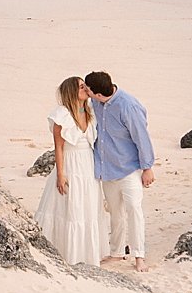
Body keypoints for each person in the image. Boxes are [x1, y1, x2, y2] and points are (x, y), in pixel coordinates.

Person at [83, 70, 155, 270]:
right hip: (106, 168)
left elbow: (142, 137)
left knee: (134, 210)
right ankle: (116, 253)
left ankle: (139, 255)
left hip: (129, 168)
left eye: (88, 90)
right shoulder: (95, 103)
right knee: (115, 212)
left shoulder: (128, 106)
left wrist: (147, 168)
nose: (86, 93)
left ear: (98, 93)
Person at [32, 75, 108, 266]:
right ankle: (67, 253)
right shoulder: (61, 116)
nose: (86, 89)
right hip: (70, 164)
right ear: (72, 92)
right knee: (70, 207)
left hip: (88, 165)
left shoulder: (91, 111)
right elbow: (58, 147)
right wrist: (60, 174)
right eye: (82, 87)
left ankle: (88, 254)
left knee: (88, 206)